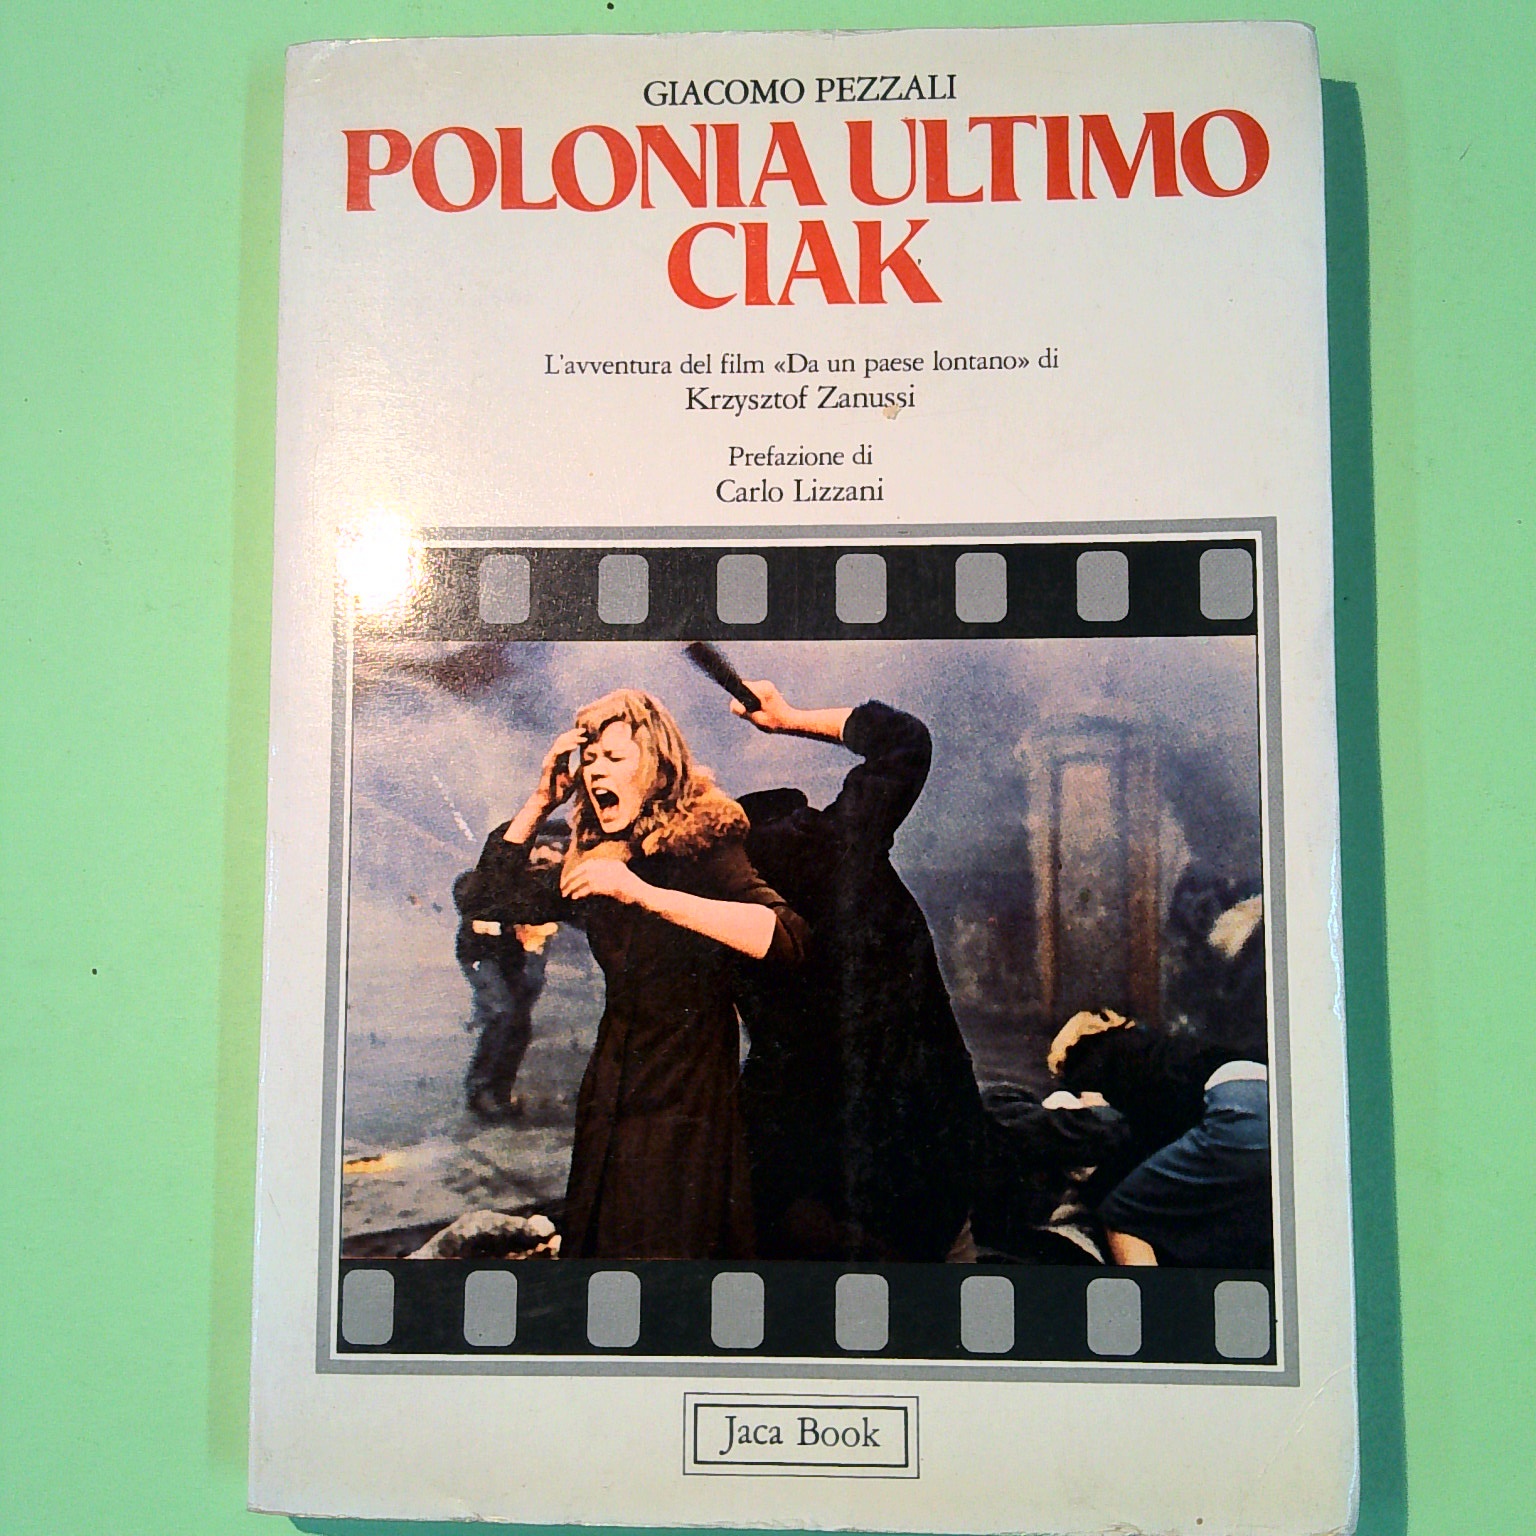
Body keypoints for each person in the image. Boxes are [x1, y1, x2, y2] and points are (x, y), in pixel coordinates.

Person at [453, 690, 805, 1260]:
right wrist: (541, 800)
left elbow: (787, 938)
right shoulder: (598, 857)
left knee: (664, 1251)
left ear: (658, 767)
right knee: (604, 1244)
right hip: (612, 1082)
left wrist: (642, 894)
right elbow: (486, 897)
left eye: (614, 757)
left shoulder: (705, 841)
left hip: (687, 1089)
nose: (595, 772)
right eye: (589, 760)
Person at [726, 682, 984, 1262]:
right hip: (930, 1139)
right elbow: (904, 738)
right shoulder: (840, 843)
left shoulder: (723, 896)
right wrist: (787, 717)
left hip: (821, 1174)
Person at [1047, 893, 1272, 1269]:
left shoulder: (1092, 1066)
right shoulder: (1153, 1046)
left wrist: (1094, 1194)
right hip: (1265, 1091)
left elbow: (1121, 1136)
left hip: (1234, 1111)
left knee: (1120, 1215)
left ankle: (1154, 1303)